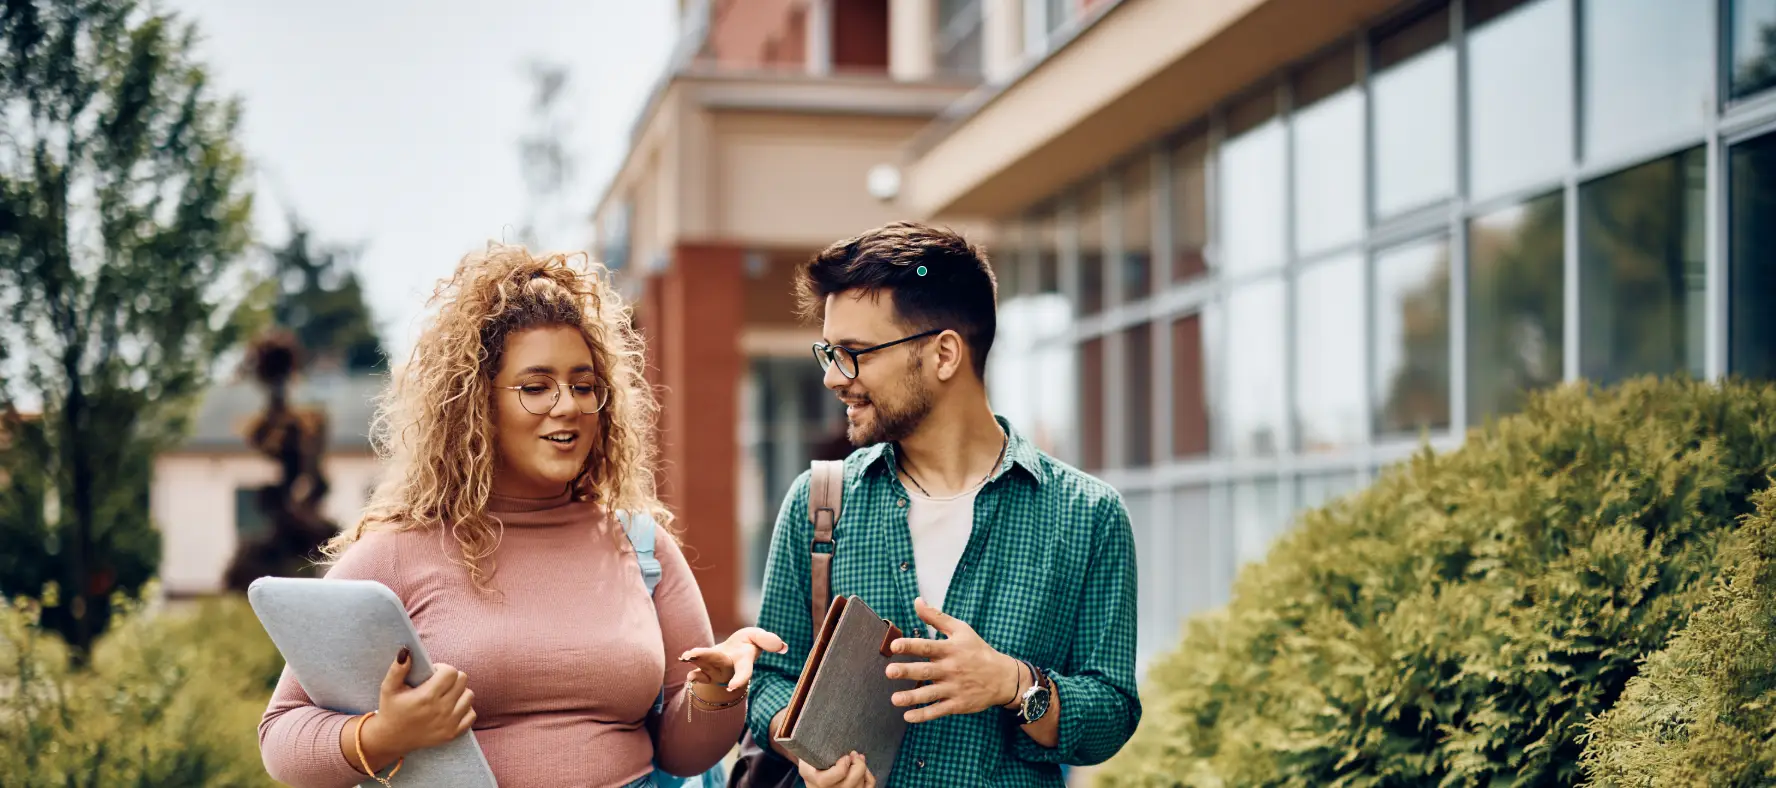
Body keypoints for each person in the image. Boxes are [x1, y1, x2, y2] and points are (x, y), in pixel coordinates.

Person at [258, 244, 784, 788]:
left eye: (584, 386)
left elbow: (682, 757)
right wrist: (383, 734)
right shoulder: (398, 551)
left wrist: (717, 691)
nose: (568, 405)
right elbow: (281, 735)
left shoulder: (641, 546)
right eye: (536, 387)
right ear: (475, 403)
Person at [745, 222, 1141, 787]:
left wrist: (1013, 684)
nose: (833, 377)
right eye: (829, 353)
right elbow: (770, 680)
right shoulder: (819, 502)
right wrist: (810, 750)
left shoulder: (1087, 515)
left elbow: (1112, 714)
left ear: (945, 354)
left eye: (854, 353)